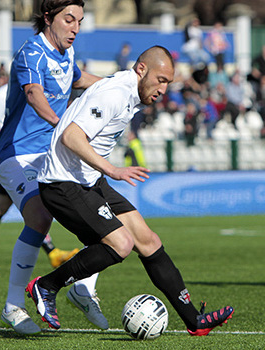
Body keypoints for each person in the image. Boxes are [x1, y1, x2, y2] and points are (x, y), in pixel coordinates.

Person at [24, 46, 234, 337]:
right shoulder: (116, 93)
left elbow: (91, 84)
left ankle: (194, 321)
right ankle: (46, 286)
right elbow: (72, 136)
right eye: (160, 80)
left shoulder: (126, 90)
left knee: (148, 241)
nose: (163, 89)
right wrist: (113, 170)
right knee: (121, 244)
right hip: (63, 183)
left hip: (88, 180)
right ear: (141, 70)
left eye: (168, 84)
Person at [0, 0, 103, 335]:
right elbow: (33, 94)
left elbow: (78, 77)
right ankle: (13, 306)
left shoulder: (66, 53)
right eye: (69, 20)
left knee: (100, 213)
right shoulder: (31, 53)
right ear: (48, 17)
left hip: (54, 152)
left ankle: (83, 288)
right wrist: (62, 125)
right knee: (40, 217)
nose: (75, 28)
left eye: (80, 21)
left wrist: (120, 86)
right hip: (19, 155)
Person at [0, 83, 79, 272]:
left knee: (0, 206)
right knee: (35, 205)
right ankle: (52, 253)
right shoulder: (5, 94)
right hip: (15, 159)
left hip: (24, 156)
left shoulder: (36, 90)